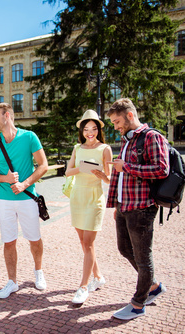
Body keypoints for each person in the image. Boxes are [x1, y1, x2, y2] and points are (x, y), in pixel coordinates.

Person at [106, 98, 169, 320]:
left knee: (144, 258)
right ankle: (153, 286)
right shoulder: (127, 140)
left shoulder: (152, 137)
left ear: (130, 116)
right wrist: (117, 204)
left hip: (142, 208)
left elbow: (162, 169)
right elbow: (123, 173)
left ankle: (138, 303)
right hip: (125, 206)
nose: (115, 126)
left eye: (117, 121)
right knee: (124, 249)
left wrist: (127, 166)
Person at [0, 102, 49, 299]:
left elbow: (43, 165)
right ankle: (12, 282)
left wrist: (24, 184)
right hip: (4, 200)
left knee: (34, 239)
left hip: (28, 198)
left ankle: (39, 272)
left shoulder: (29, 137)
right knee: (8, 241)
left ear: (7, 116)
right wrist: (5, 178)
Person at [65, 109, 112, 304]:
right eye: (86, 129)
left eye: (93, 128)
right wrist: (84, 167)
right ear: (82, 131)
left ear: (98, 130)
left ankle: (83, 287)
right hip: (78, 197)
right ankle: (98, 277)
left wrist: (102, 175)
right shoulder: (78, 147)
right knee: (84, 243)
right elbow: (68, 172)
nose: (89, 132)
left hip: (94, 198)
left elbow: (110, 179)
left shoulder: (105, 148)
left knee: (89, 242)